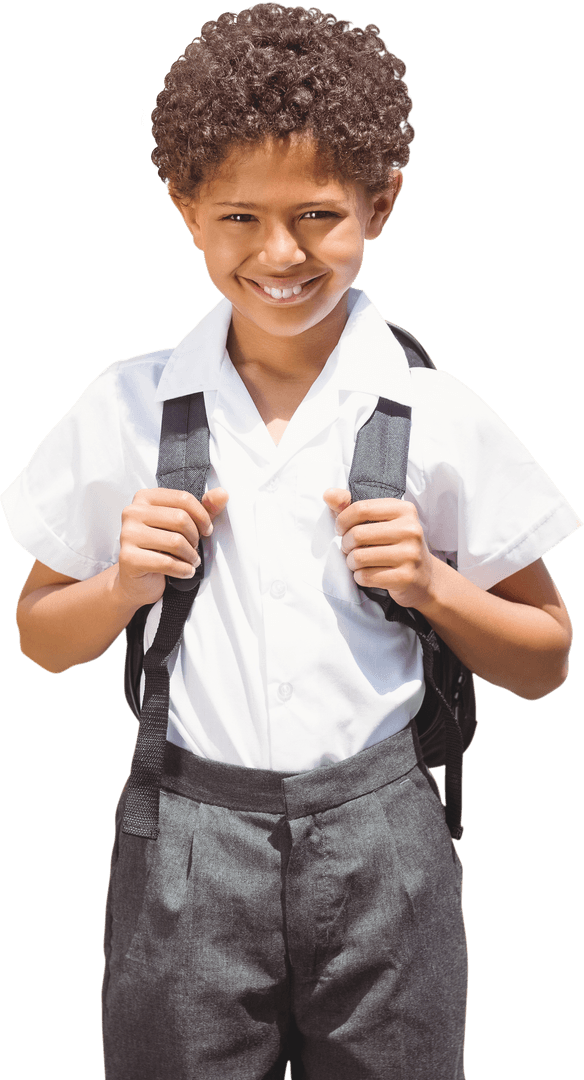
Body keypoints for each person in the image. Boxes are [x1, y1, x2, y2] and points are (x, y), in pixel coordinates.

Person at [1, 4, 581, 1078]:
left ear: (380, 203)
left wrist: (435, 588)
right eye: (237, 218)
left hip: (384, 847)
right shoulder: (127, 406)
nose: (278, 254)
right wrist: (124, 580)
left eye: (317, 214)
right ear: (185, 210)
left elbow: (545, 657)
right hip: (182, 841)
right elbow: (39, 636)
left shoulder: (435, 413)